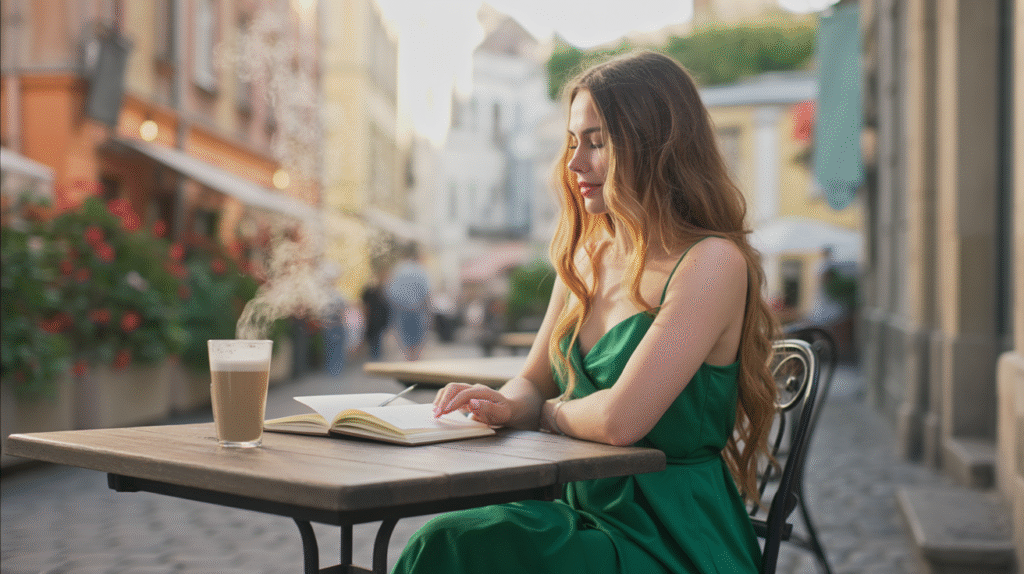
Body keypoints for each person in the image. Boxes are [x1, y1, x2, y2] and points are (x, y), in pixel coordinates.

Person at [393, 50, 780, 574]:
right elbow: (533, 381)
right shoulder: (585, 257)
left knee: (456, 547)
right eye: (574, 142)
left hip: (672, 536)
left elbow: (621, 421)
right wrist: (506, 406)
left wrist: (549, 414)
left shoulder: (712, 263)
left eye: (596, 142)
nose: (574, 163)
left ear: (655, 144)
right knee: (451, 540)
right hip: (580, 511)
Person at [385, 243, 432, 361]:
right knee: (417, 339)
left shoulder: (398, 269)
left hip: (402, 310)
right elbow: (427, 292)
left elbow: (390, 292)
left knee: (405, 339)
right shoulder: (420, 270)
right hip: (417, 309)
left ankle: (409, 360)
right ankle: (415, 360)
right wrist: (428, 311)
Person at [361, 278, 391, 361]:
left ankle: (375, 355)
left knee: (375, 338)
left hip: (374, 319)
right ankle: (375, 355)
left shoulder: (379, 292)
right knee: (375, 337)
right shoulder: (378, 292)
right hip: (374, 319)